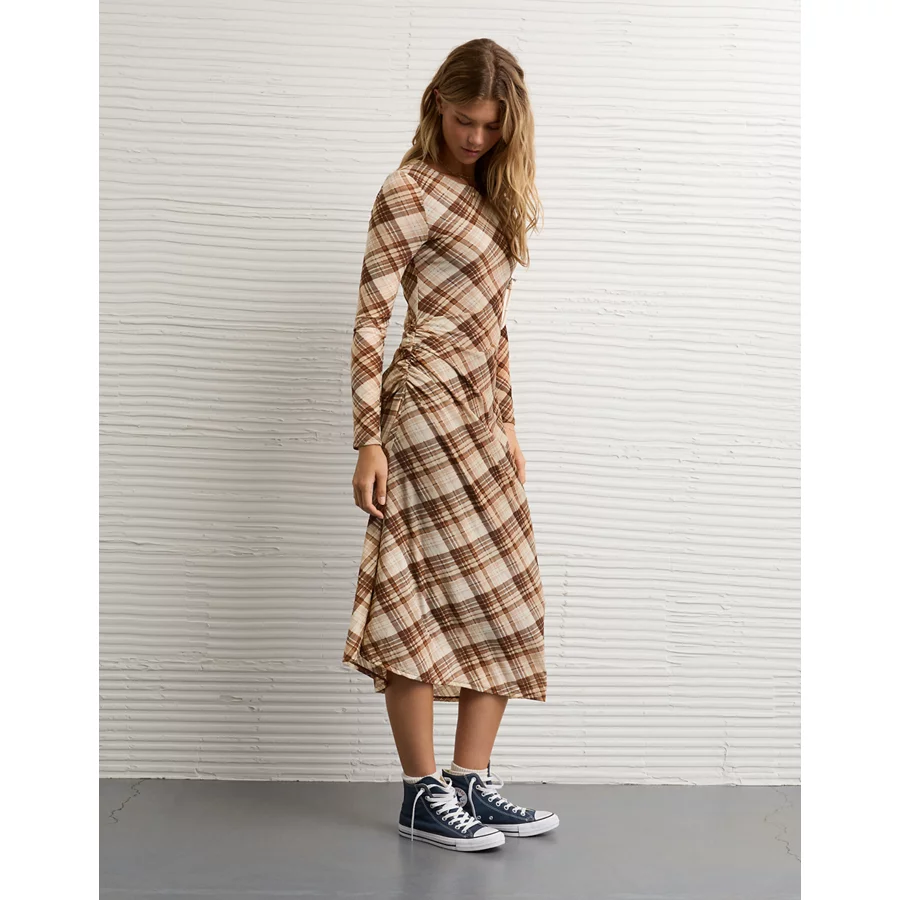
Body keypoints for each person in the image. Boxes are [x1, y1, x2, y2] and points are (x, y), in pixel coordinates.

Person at [343, 38, 558, 851]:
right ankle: (419, 791)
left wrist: (508, 425)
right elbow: (371, 321)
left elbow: (495, 330)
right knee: (418, 590)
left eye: (492, 126)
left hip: (479, 417)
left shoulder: (493, 196)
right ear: (438, 103)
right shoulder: (408, 191)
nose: (476, 136)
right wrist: (369, 440)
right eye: (466, 120)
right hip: (423, 409)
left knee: (506, 591)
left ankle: (470, 781)